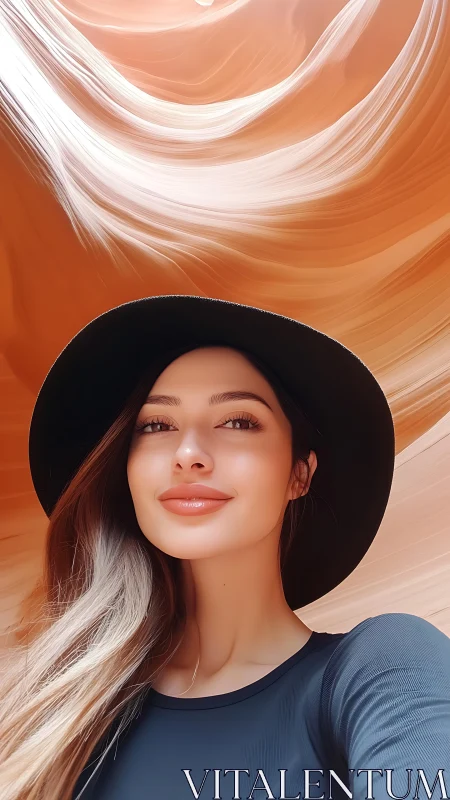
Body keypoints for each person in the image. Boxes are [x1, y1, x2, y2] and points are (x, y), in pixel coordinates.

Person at [0, 295, 449, 800]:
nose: (188, 454)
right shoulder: (53, 712)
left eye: (238, 421)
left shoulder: (383, 665)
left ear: (299, 473)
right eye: (156, 425)